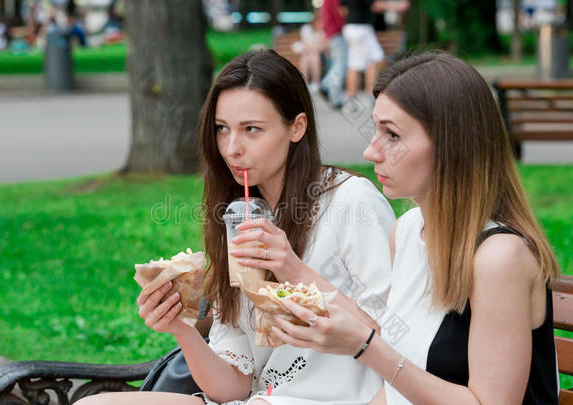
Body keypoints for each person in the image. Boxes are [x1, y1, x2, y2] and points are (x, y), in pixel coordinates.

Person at [75, 49, 395, 405]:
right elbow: (233, 387)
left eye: (251, 130)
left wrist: (293, 270)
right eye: (222, 129)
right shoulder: (235, 217)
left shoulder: (350, 202)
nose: (231, 148)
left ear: (297, 127)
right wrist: (180, 327)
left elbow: (395, 337)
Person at [271, 51, 561, 404]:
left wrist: (365, 347)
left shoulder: (499, 258)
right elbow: (395, 386)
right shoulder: (408, 231)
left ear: (451, 145)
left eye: (391, 135)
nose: (370, 151)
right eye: (376, 129)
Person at [340, 0, 409, 100]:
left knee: (372, 58)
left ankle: (366, 94)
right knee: (357, 64)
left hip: (351, 27)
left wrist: (354, 13)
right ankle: (353, 97)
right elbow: (375, 5)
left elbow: (342, 10)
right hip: (361, 28)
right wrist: (398, 6)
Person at [319, 0, 347, 109]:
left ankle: (326, 85)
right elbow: (339, 14)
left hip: (331, 34)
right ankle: (334, 96)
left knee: (337, 64)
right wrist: (344, 26)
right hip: (337, 33)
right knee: (340, 65)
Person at [297, 12, 326, 94]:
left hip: (317, 54)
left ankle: (315, 82)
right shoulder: (306, 28)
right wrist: (313, 47)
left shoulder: (322, 32)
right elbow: (305, 43)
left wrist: (313, 47)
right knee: (307, 57)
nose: (321, 24)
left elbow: (322, 46)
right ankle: (307, 82)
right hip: (307, 53)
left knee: (313, 55)